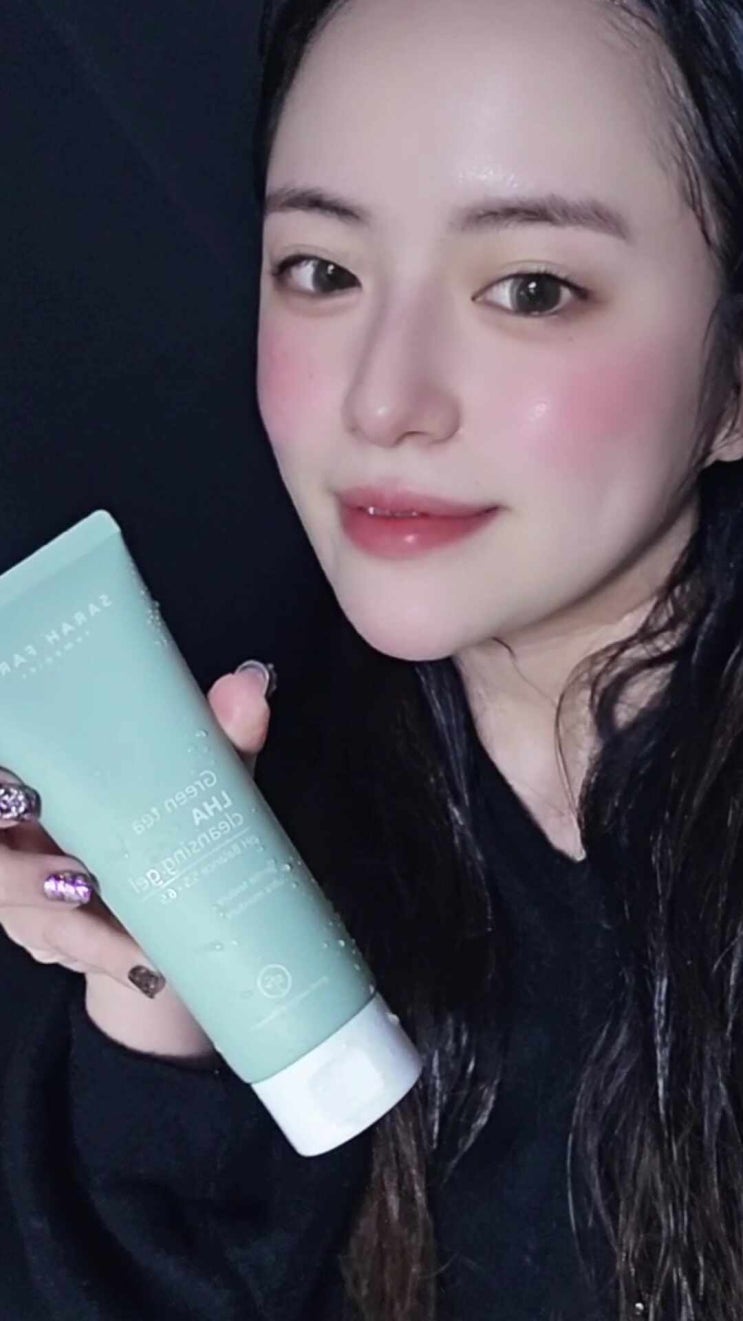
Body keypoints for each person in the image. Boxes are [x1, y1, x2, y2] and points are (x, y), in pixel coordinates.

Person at [1, 0, 743, 1317]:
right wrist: (162, 1014)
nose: (383, 399)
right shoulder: (275, 817)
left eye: (531, 288)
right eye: (323, 271)